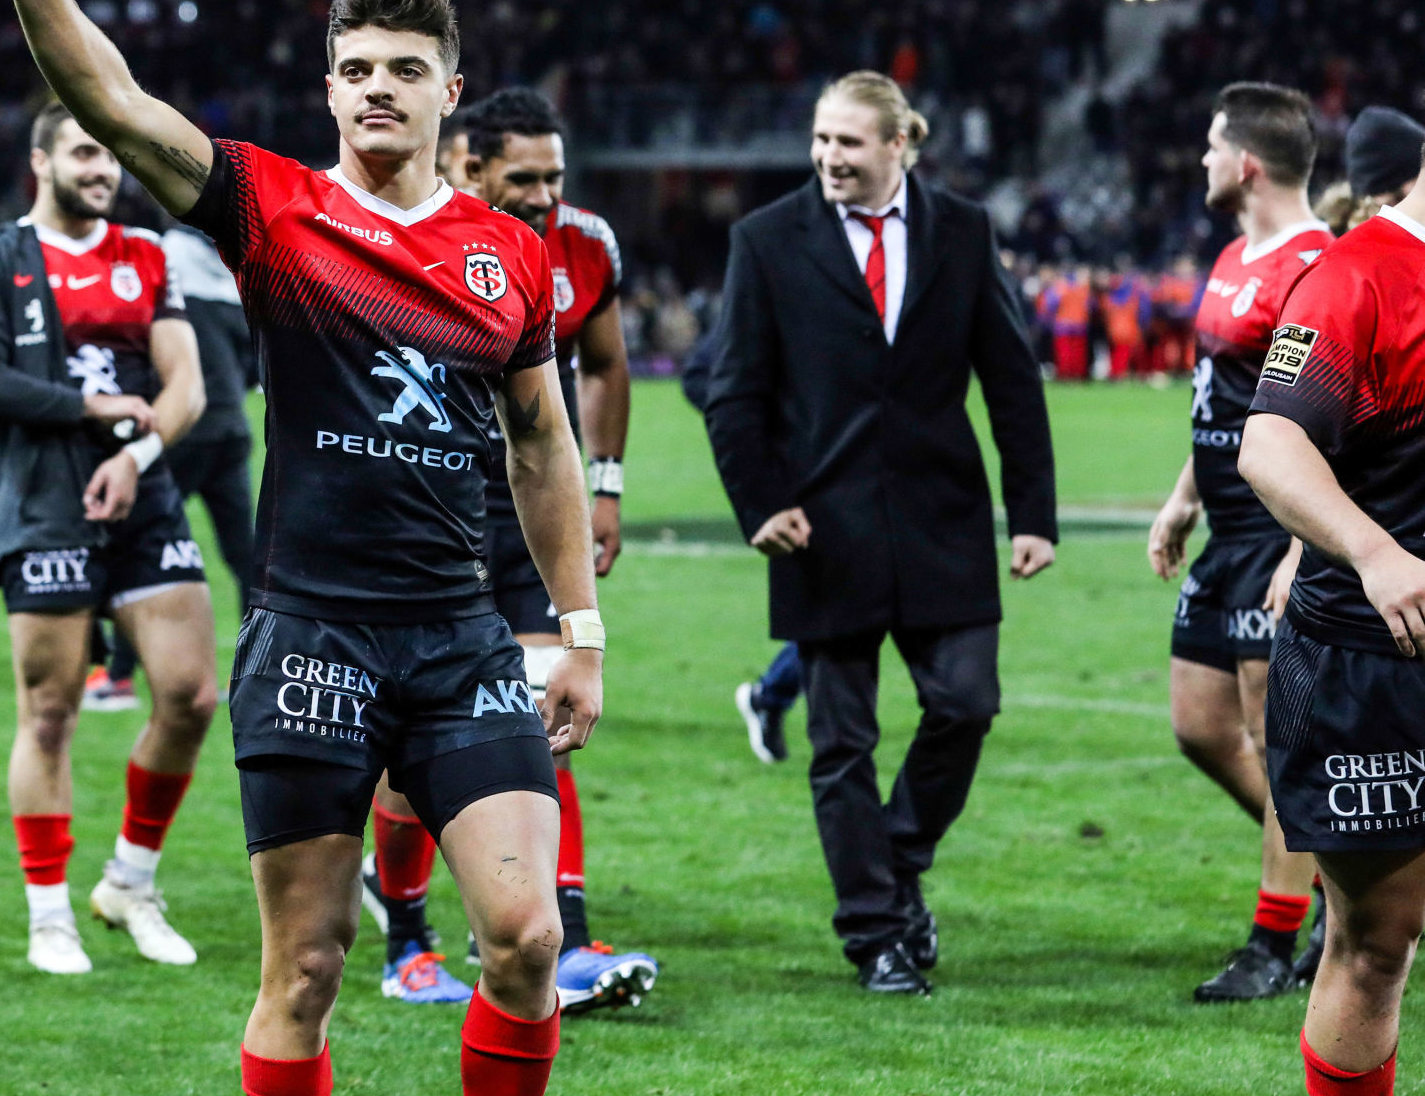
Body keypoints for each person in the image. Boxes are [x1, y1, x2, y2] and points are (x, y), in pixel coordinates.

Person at [0, 0, 604, 1096]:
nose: (379, 87)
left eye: (405, 70)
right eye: (357, 68)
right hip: (312, 636)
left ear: (447, 96)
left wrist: (576, 628)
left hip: (459, 636)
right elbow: (110, 100)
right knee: (305, 970)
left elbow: (542, 445)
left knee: (527, 940)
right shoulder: (276, 211)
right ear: (329, 90)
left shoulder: (510, 257)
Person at [705, 70, 1057, 994]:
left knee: (967, 704)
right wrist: (761, 502)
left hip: (943, 522)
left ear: (900, 144)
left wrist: (1033, 515)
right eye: (820, 140)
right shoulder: (767, 240)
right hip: (820, 531)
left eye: (848, 143)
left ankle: (894, 868)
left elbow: (1010, 381)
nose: (828, 157)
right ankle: (874, 935)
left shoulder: (964, 230)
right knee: (841, 743)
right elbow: (731, 390)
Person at [358, 87, 656, 1012]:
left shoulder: (583, 246)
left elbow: (604, 363)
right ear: (468, 166)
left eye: (554, 176)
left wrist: (602, 488)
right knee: (411, 763)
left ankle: (561, 928)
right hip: (430, 512)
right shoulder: (409, 241)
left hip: (533, 504)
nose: (541, 195)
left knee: (539, 719)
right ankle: (404, 931)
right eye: (522, 177)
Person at [0, 101, 218, 975]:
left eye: (111, 157)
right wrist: (91, 408)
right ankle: (47, 912)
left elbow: (187, 386)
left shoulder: (144, 254)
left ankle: (130, 879)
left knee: (190, 695)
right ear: (41, 160)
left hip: (142, 492)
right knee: (50, 711)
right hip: (43, 505)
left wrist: (136, 452)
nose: (104, 169)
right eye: (86, 153)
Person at [1239, 161, 1425, 1096]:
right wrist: (1372, 548)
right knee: (1375, 942)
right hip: (1374, 662)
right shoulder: (1359, 276)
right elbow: (1268, 440)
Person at [1146, 84, 1331, 1001]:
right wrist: (1181, 498)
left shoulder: (1314, 266)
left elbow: (1331, 418)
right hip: (1223, 526)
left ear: (1246, 163)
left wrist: (1306, 546)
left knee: (1274, 735)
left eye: (1213, 145)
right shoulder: (1232, 256)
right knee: (1200, 726)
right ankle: (1341, 867)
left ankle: (1271, 940)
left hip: (1276, 533)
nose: (1204, 159)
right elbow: (1218, 399)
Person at [87, 215, 259, 714]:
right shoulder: (230, 281)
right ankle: (252, 673)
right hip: (230, 430)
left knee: (132, 542)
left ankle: (117, 678)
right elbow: (253, 363)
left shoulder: (157, 266)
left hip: (182, 430)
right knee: (244, 555)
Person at [680, 313, 804, 764]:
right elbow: (698, 376)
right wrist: (754, 426)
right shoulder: (772, 279)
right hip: (800, 480)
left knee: (856, 605)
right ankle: (773, 696)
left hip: (867, 469)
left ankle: (773, 696)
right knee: (844, 607)